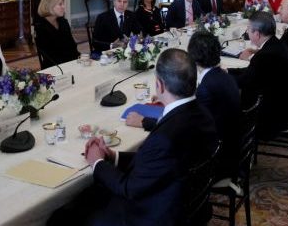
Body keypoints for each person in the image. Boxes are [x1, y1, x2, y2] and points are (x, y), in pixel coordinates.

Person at [48, 49, 218, 225]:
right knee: (88, 196)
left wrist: (96, 162)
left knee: (61, 217)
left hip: (150, 216)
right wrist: (115, 156)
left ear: (159, 85)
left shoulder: (165, 137)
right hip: (187, 204)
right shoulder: (204, 114)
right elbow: (160, 162)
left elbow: (128, 188)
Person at [126, 31, 240, 179]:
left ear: (192, 59)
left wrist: (144, 121)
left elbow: (185, 128)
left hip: (214, 162)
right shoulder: (222, 76)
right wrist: (171, 96)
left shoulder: (206, 88)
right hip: (230, 148)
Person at [227, 11, 288, 140]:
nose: (247, 32)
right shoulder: (275, 44)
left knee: (225, 108)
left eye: (248, 29)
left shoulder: (265, 55)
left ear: (257, 34)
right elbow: (252, 72)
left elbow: (244, 82)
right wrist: (228, 71)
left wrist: (222, 78)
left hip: (277, 115)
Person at [34, 0, 79, 69]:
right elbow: (49, 56)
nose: (63, 7)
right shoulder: (40, 27)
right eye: (60, 4)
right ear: (49, 6)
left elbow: (72, 46)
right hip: (54, 68)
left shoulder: (63, 22)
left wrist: (80, 58)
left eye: (63, 4)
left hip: (70, 63)